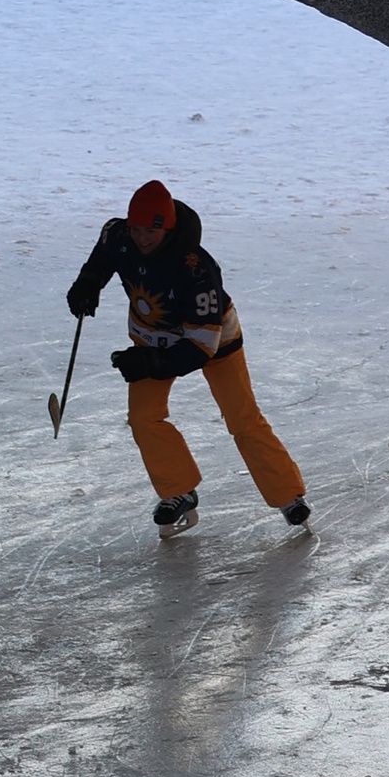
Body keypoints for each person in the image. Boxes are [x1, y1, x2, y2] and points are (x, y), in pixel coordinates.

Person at [66, 179, 310, 542]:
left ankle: (288, 494)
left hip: (213, 341)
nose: (141, 238)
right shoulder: (117, 236)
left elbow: (200, 348)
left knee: (242, 417)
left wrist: (149, 364)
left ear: (168, 226)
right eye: (136, 229)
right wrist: (87, 285)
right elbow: (103, 260)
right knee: (143, 417)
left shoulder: (196, 269)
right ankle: (178, 490)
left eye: (151, 231)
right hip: (150, 336)